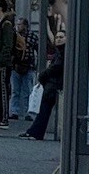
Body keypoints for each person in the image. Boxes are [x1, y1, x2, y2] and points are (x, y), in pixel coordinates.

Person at [23, 8, 66, 139]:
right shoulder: (60, 51)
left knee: (44, 110)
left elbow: (56, 67)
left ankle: (35, 132)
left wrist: (44, 75)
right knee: (43, 110)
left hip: (54, 84)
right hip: (53, 84)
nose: (58, 39)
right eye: (57, 37)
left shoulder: (63, 53)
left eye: (61, 37)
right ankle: (34, 131)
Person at [9, 15, 36, 119]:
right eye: (17, 24)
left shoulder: (32, 36)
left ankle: (27, 112)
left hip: (28, 66)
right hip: (16, 66)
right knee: (15, 90)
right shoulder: (14, 36)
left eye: (20, 24)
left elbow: (37, 49)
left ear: (25, 26)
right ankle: (14, 111)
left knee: (27, 91)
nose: (17, 26)